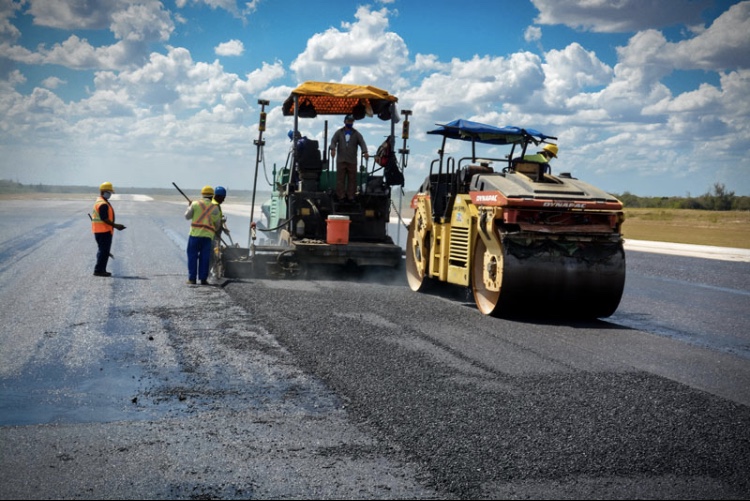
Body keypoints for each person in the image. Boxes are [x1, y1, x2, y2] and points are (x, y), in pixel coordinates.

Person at [184, 185, 222, 285]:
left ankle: (192, 279)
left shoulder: (195, 204)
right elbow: (217, 224)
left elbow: (187, 216)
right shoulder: (215, 208)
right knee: (205, 258)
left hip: (194, 236)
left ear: (202, 194)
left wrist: (189, 206)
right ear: (212, 196)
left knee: (192, 257)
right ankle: (203, 279)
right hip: (207, 237)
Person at [329, 114, 369, 201]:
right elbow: (333, 141)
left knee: (352, 179)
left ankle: (351, 196)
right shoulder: (339, 132)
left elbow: (362, 142)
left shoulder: (356, 133)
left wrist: (365, 152)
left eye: (351, 122)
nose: (350, 123)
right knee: (340, 179)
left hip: (352, 160)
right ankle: (341, 196)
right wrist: (333, 149)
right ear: (345, 122)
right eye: (348, 121)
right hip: (341, 160)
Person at [91, 181, 126, 277]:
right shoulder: (103, 204)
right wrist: (116, 225)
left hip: (99, 230)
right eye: (109, 192)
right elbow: (104, 218)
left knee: (103, 251)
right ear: (103, 191)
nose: (110, 194)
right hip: (104, 231)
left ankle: (100, 269)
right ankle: (99, 270)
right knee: (103, 251)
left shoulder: (99, 201)